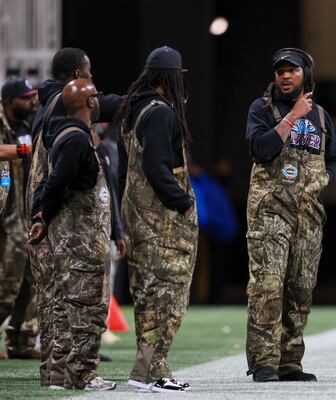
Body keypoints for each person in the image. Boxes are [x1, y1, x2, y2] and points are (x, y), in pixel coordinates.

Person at [27, 47, 122, 387]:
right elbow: (55, 183)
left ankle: (55, 374)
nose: (97, 92)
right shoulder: (74, 136)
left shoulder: (56, 119)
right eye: (90, 79)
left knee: (56, 303)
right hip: (76, 235)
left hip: (59, 229)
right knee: (82, 306)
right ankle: (80, 375)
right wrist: (42, 213)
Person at [244, 47, 336, 382]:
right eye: (280, 71)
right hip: (270, 212)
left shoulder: (322, 117)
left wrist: (323, 180)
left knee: (300, 289)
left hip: (308, 214)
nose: (285, 76)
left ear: (306, 75)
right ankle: (263, 363)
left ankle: (289, 362)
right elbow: (260, 149)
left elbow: (334, 160)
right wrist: (292, 117)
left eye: (293, 70)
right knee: (268, 287)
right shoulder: (262, 109)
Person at [115, 46, 197, 393]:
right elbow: (155, 167)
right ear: (171, 78)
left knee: (148, 296)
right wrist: (182, 203)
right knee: (168, 297)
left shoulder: (132, 110)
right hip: (161, 221)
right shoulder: (161, 113)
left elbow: (125, 170)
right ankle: (155, 372)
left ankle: (143, 371)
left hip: (136, 215)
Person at [0, 76, 39, 360]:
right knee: (6, 282)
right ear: (10, 101)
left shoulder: (30, 124)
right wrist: (27, 150)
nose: (32, 102)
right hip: (6, 214)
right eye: (26, 98)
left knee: (32, 280)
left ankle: (22, 340)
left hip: (28, 213)